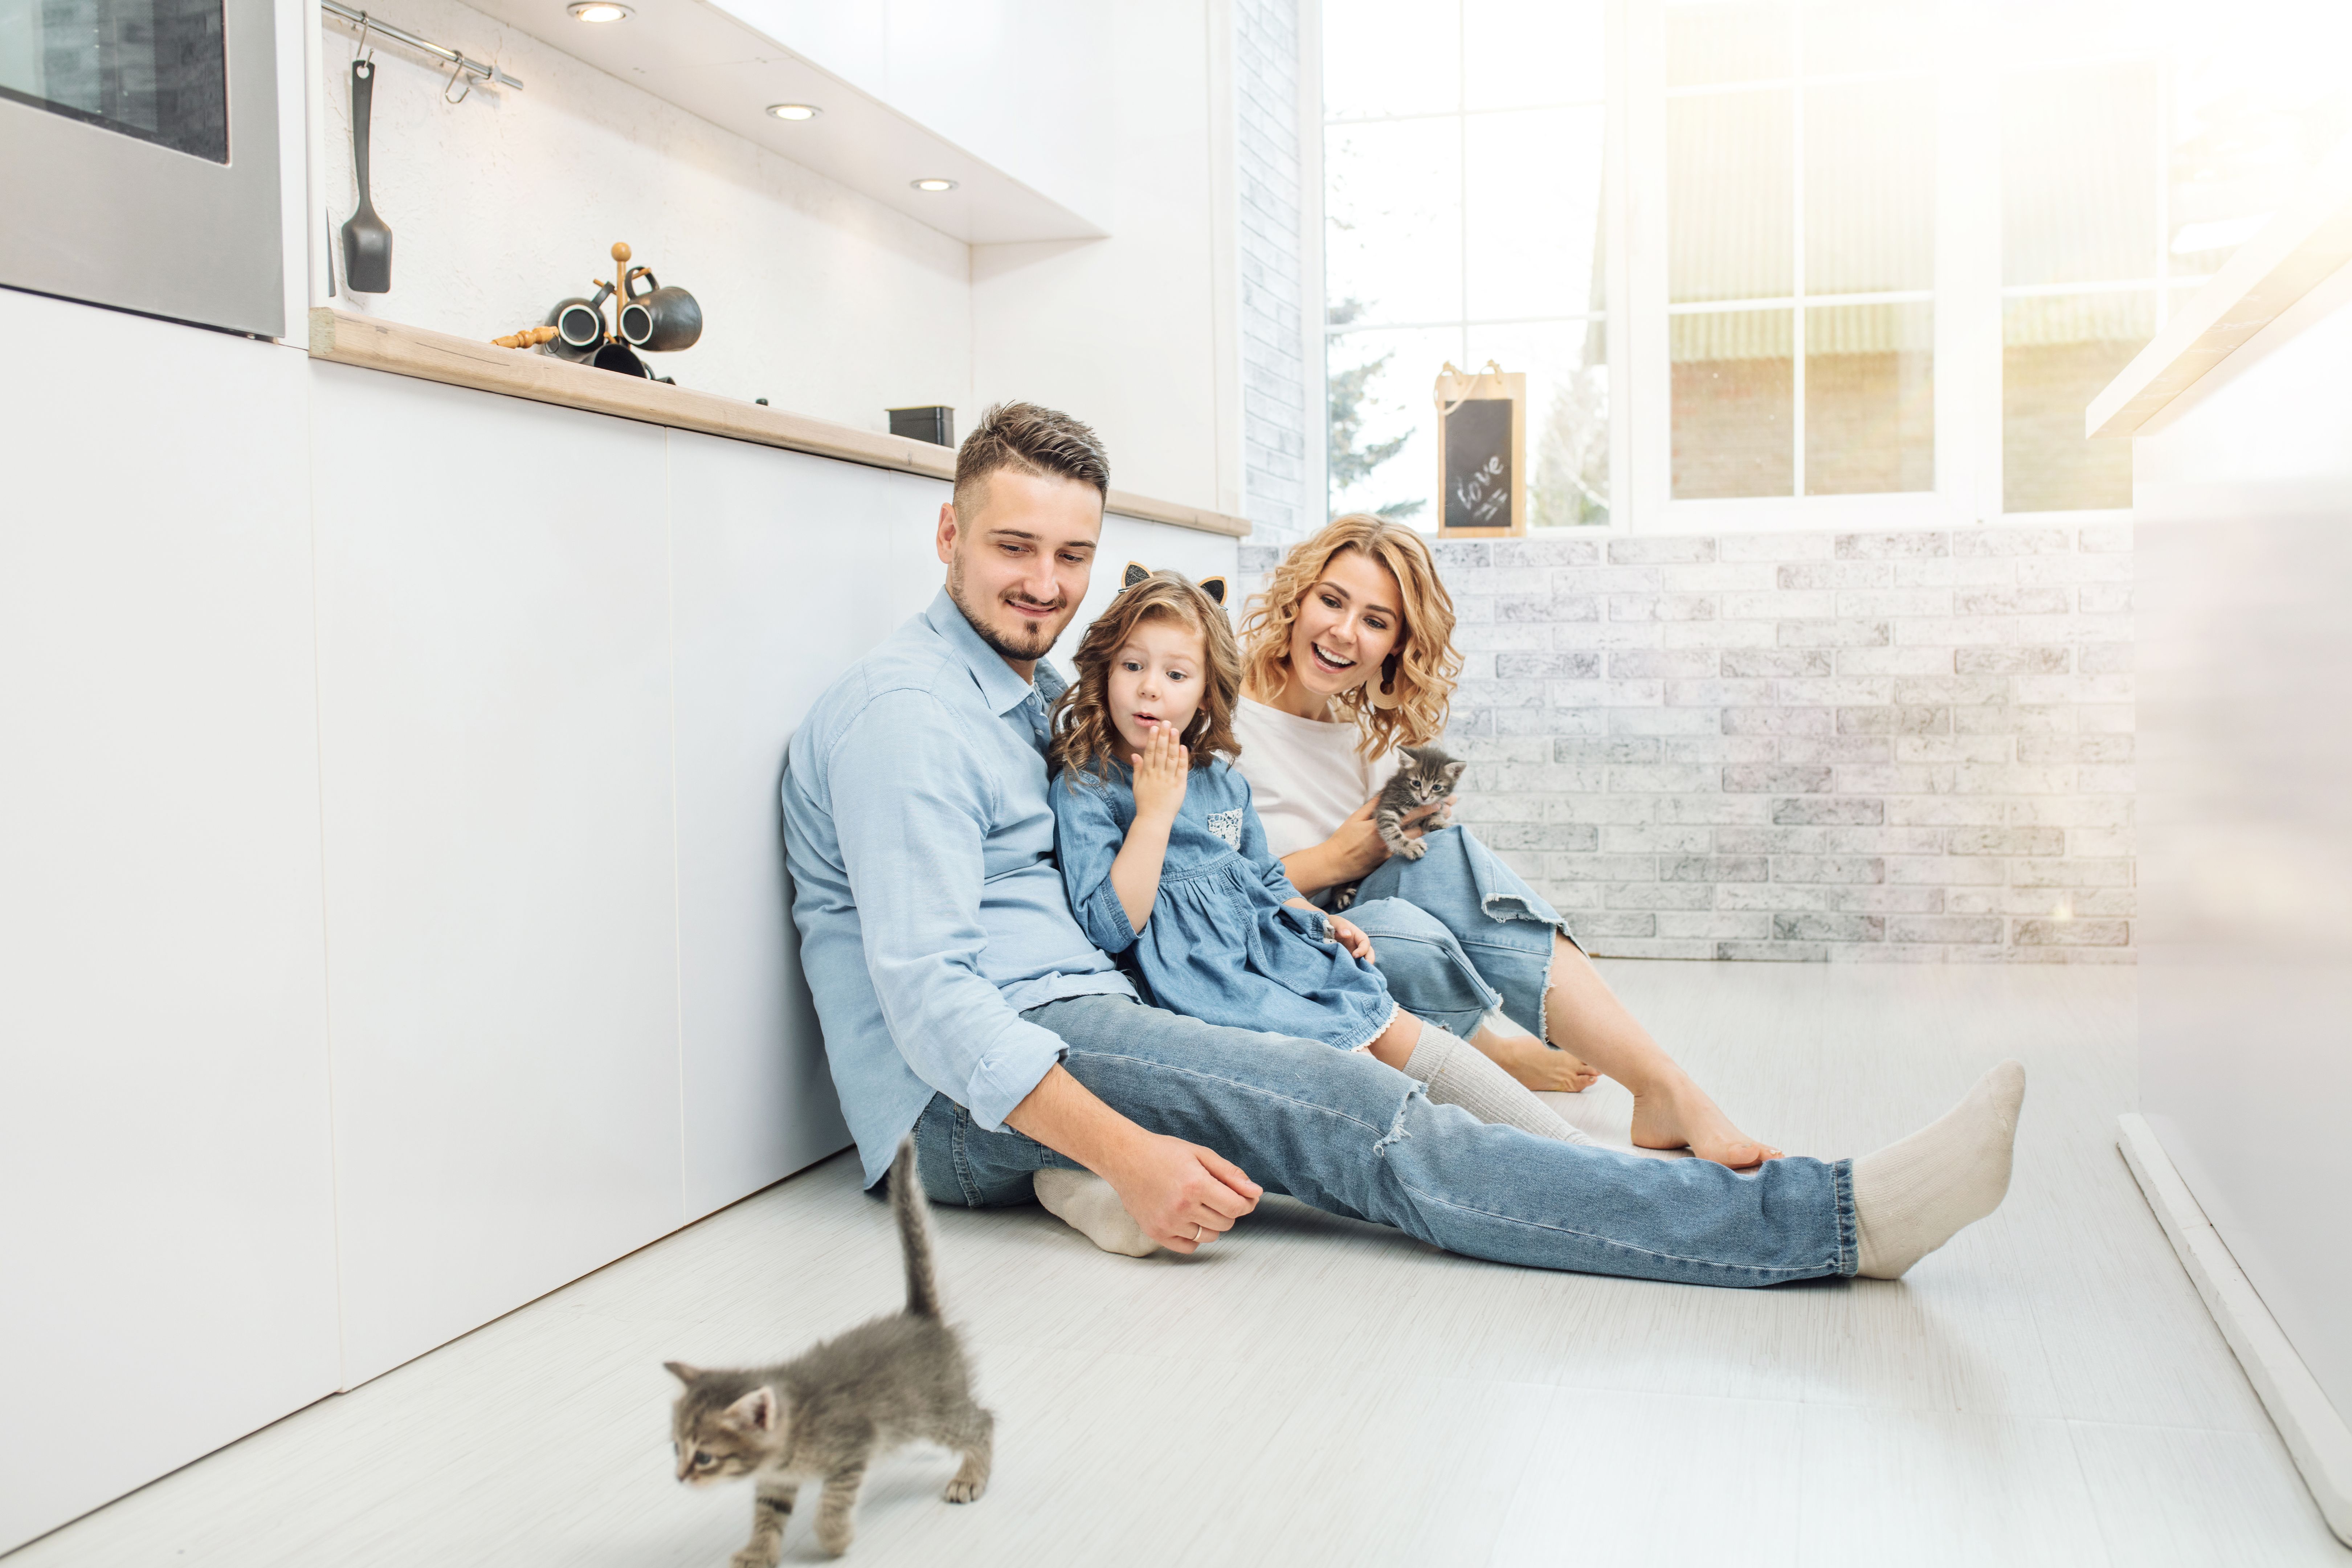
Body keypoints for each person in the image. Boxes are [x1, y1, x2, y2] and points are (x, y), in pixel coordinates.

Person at [780, 399, 2024, 1285]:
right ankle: (1819, 1221)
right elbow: (935, 999)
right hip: (969, 1093)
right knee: (1352, 1111)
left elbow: (1128, 880)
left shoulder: (1028, 697)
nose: (1046, 583)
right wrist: (1129, 1150)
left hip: (1087, 1007)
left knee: (1380, 1003)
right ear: (948, 539)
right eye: (1013, 547)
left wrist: (1266, 928)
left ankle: (1691, 1144)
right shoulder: (907, 718)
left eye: (1070, 555)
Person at [1233, 514, 1777, 1168]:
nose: (1345, 632)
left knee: (1442, 856)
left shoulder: (1356, 730)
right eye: (1332, 600)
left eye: (1376, 621)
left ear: (1395, 647)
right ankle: (1494, 1050)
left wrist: (1398, 833)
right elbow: (1199, 900)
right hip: (1273, 951)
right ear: (1297, 600)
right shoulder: (1216, 714)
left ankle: (1664, 1087)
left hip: (1359, 930)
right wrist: (1335, 859)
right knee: (1406, 922)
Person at [1046, 569, 1592, 1147]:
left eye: (1176, 674)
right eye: (1133, 666)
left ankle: (1568, 1149)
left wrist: (1320, 920)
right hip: (1202, 982)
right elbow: (1108, 926)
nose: (1150, 688)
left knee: (1378, 1011)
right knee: (1352, 1064)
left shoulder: (1221, 782)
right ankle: (1497, 1150)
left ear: (1206, 692)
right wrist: (1154, 816)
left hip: (1269, 952)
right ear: (1105, 671)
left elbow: (1265, 879)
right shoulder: (1089, 786)